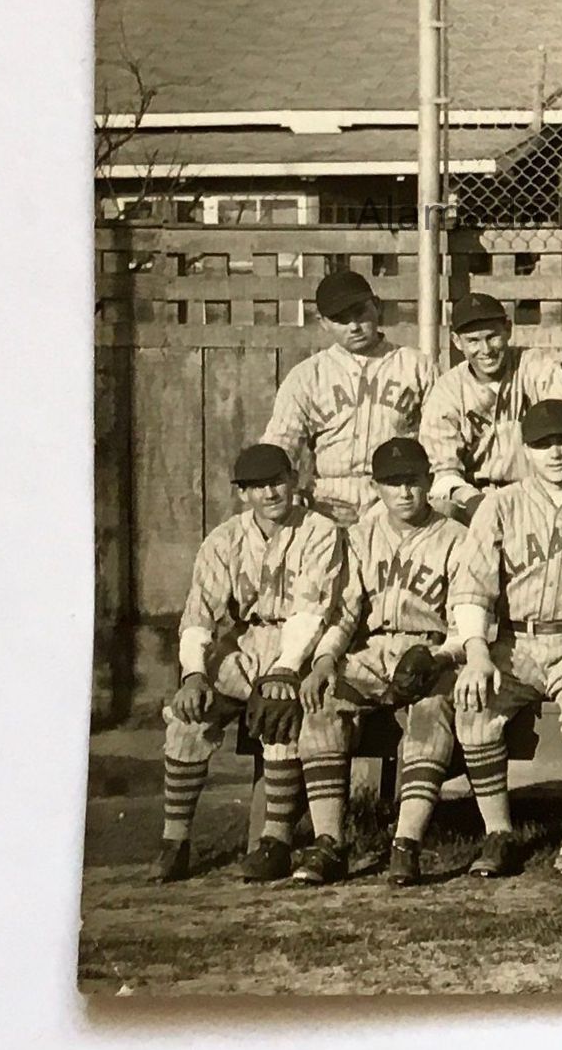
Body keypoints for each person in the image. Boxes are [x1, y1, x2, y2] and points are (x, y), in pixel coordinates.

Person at [444, 396, 562, 879]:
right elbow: (472, 587)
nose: (555, 453)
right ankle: (498, 831)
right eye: (542, 444)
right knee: (474, 704)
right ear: (525, 449)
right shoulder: (499, 506)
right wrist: (477, 654)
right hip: (515, 644)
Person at [151, 441, 350, 886]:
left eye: (276, 481)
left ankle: (273, 840)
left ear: (294, 480)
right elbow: (199, 614)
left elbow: (311, 611)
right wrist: (193, 674)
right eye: (257, 486)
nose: (270, 493)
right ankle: (174, 841)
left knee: (279, 712)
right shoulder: (224, 539)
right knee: (187, 717)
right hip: (243, 640)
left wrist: (284, 669)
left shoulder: (319, 530)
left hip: (298, 642)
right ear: (243, 493)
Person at [312, 434, 484, 886]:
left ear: (429, 480)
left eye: (413, 481)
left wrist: (440, 655)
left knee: (431, 713)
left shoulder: (457, 538)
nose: (404, 492)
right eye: (392, 483)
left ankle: (406, 842)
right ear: (376, 486)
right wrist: (326, 657)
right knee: (323, 705)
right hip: (370, 650)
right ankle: (329, 842)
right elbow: (345, 612)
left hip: (431, 650)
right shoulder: (359, 537)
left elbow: (468, 620)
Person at [261, 269, 428, 526]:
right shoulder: (308, 375)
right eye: (340, 319)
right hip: (327, 500)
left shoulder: (416, 366)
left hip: (397, 495)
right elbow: (279, 446)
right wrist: (290, 495)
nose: (354, 326)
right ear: (323, 322)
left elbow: (439, 440)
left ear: (376, 306)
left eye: (360, 313)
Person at [418, 293, 562, 523]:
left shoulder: (534, 366)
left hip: (541, 492)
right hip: (475, 496)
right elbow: (441, 471)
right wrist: (473, 501)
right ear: (456, 341)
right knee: (441, 509)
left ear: (508, 329)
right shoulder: (448, 390)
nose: (485, 349)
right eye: (473, 341)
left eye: (492, 337)